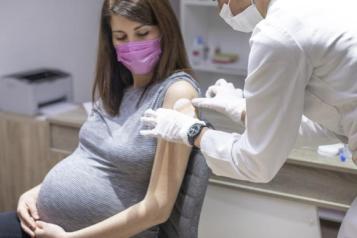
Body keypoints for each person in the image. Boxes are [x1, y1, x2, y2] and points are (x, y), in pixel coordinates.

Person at [140, 0, 357, 237]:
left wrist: (192, 132)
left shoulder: (278, 34)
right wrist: (247, 113)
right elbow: (335, 120)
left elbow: (257, 164)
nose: (220, 8)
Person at [0, 0, 205, 237]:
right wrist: (34, 194)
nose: (132, 44)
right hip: (42, 225)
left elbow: (158, 208)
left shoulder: (176, 93)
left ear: (164, 29)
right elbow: (88, 159)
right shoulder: (118, 91)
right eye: (120, 36)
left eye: (142, 33)